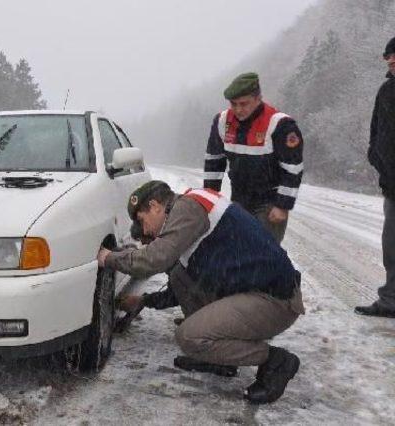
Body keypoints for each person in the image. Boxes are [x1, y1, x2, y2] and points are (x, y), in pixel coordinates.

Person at [98, 180, 304, 404]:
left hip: (274, 300)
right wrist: (145, 301)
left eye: (142, 220)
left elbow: (155, 259)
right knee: (179, 274)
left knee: (189, 336)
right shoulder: (190, 207)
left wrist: (108, 257)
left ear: (156, 206)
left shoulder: (187, 209)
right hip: (257, 289)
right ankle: (219, 359)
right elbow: (182, 288)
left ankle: (274, 361)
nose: (145, 230)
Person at [203, 72, 304, 243]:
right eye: (233, 104)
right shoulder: (222, 121)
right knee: (237, 252)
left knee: (265, 255)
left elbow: (293, 168)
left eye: (244, 104)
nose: (238, 110)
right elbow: (214, 159)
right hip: (239, 199)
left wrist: (282, 205)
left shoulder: (280, 124)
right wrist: (209, 195)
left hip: (269, 202)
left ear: (258, 98)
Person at [355, 37, 395, 318]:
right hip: (392, 186)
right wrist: (378, 161)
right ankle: (391, 301)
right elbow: (375, 135)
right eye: (388, 56)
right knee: (392, 245)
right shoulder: (386, 91)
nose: (390, 60)